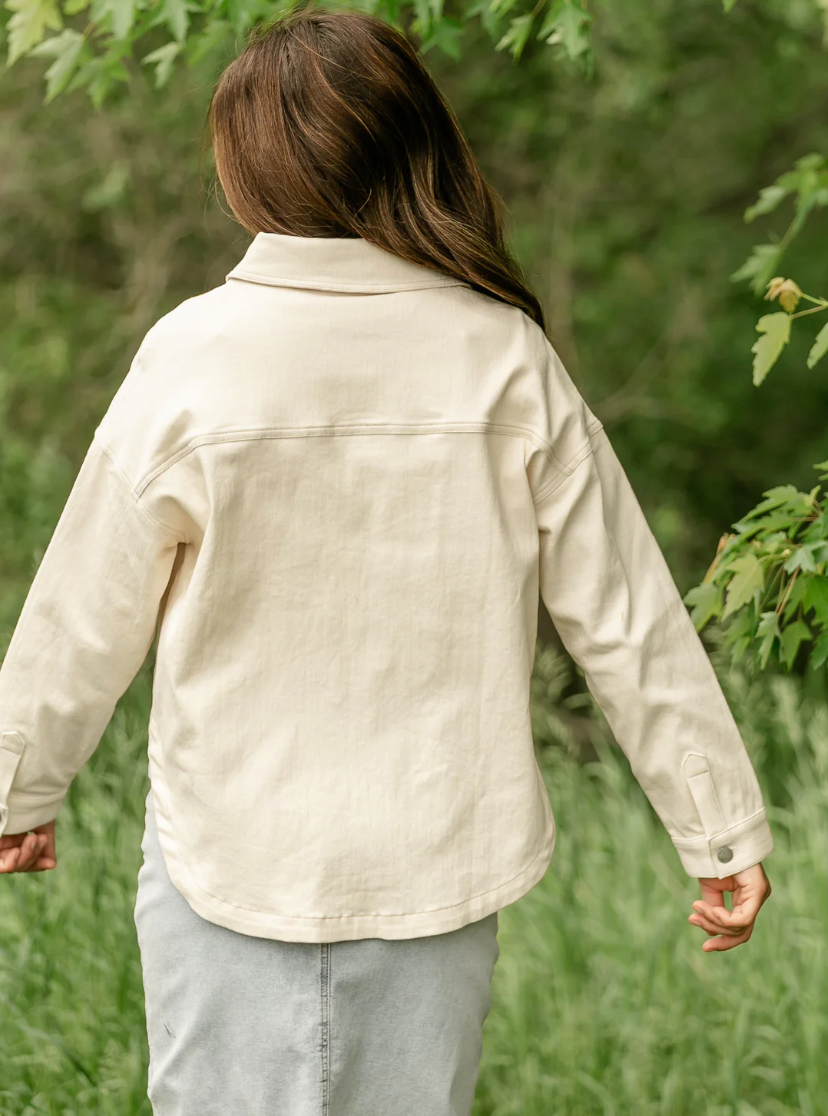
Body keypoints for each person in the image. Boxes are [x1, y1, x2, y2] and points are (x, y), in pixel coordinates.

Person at [0, 6, 773, 1114]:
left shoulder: (193, 354)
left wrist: (18, 785)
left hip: (230, 849)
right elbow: (628, 618)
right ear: (412, 150)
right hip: (440, 860)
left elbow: (85, 606)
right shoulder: (504, 354)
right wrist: (721, 827)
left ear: (248, 168)